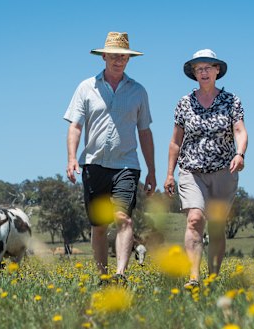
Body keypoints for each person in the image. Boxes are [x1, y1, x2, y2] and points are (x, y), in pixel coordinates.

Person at [64, 32, 156, 282]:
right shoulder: (86, 88)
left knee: (123, 218)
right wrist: (72, 158)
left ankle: (120, 274)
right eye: (114, 56)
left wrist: (152, 170)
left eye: (124, 57)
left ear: (129, 59)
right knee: (99, 225)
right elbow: (75, 126)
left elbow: (145, 131)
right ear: (103, 56)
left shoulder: (138, 91)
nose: (119, 60)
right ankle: (103, 276)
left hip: (126, 165)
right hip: (94, 165)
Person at [163, 49, 248, 288]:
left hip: (224, 170)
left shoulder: (232, 101)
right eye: (198, 68)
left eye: (208, 67)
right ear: (193, 73)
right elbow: (175, 141)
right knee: (194, 219)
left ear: (217, 70)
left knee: (217, 226)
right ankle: (193, 278)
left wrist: (240, 154)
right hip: (192, 170)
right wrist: (169, 174)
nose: (203, 72)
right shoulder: (184, 103)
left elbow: (240, 131)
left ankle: (213, 277)